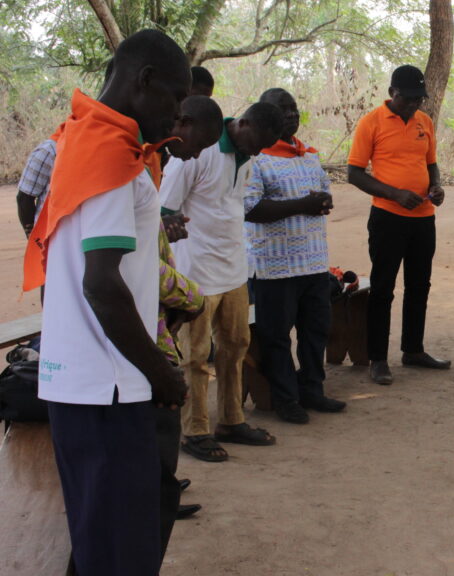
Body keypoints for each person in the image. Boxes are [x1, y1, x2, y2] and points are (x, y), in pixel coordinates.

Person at [24, 29, 190, 576]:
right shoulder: (112, 160)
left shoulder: (81, 137)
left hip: (83, 383)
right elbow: (101, 283)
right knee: (122, 553)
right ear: (144, 81)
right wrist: (159, 371)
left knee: (100, 544)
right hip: (108, 388)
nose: (176, 116)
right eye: (175, 97)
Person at [160, 102, 283, 461]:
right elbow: (165, 210)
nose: (257, 152)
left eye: (263, 147)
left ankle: (231, 419)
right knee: (195, 356)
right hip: (195, 272)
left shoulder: (247, 154)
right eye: (255, 142)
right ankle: (194, 430)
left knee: (235, 347)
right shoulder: (198, 151)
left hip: (233, 268)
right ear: (242, 123)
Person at [152, 94, 225, 553]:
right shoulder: (132, 166)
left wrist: (165, 230)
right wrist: (191, 296)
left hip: (155, 313)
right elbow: (134, 265)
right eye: (201, 142)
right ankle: (158, 495)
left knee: (158, 425)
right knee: (161, 414)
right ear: (182, 120)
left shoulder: (149, 161)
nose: (199, 154)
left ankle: (163, 488)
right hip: (143, 327)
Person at [245, 88, 345, 424]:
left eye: (294, 108)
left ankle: (312, 389)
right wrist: (303, 204)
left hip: (314, 262)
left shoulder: (309, 155)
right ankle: (286, 398)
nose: (290, 115)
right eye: (282, 109)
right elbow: (251, 208)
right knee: (276, 335)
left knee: (316, 330)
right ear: (264, 116)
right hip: (275, 266)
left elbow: (324, 194)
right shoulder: (255, 159)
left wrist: (322, 202)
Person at [347, 64, 451, 385]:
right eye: (407, 99)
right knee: (383, 288)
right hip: (387, 219)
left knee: (420, 286)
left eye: (418, 99)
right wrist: (394, 194)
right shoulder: (371, 123)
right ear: (392, 93)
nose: (413, 105)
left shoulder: (425, 122)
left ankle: (413, 350)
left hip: (423, 220)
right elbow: (354, 173)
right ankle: (378, 358)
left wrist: (436, 187)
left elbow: (430, 163)